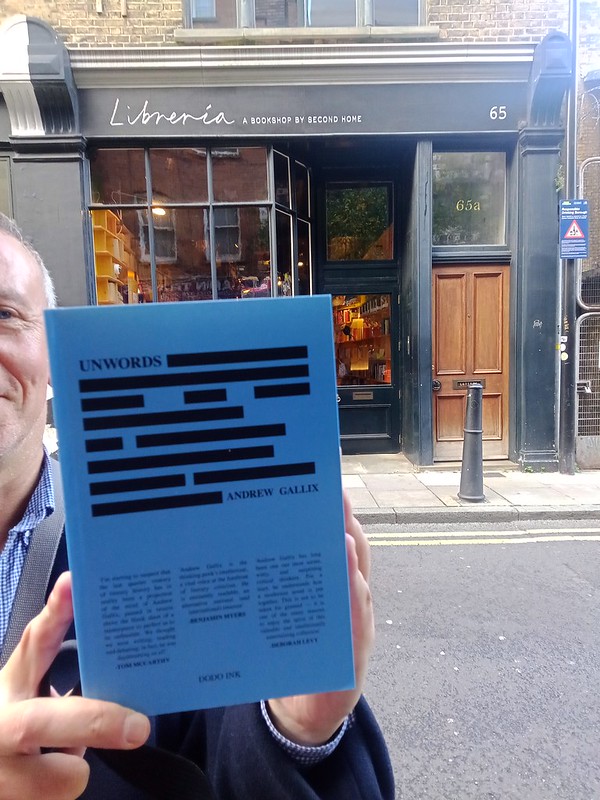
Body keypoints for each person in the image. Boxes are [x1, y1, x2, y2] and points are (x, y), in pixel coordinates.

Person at [0, 212, 395, 800]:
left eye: (4, 315)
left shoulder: (152, 531)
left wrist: (295, 731)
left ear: (52, 356)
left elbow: (221, 744)